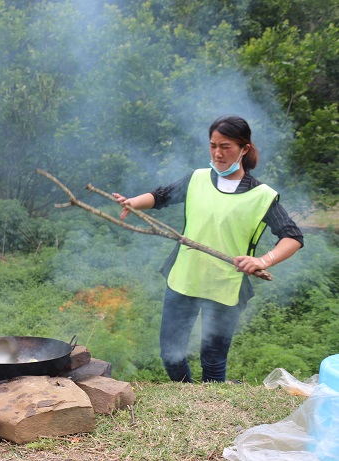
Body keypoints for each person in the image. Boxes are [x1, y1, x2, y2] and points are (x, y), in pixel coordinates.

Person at [113, 115, 303, 383]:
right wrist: (132, 202)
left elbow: (292, 236)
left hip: (225, 286)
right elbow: (161, 196)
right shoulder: (196, 179)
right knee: (171, 355)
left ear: (244, 149)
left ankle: (208, 402)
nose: (217, 153)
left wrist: (264, 260)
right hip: (184, 279)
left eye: (225, 146)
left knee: (213, 362)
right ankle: (188, 395)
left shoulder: (262, 196)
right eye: (213, 145)